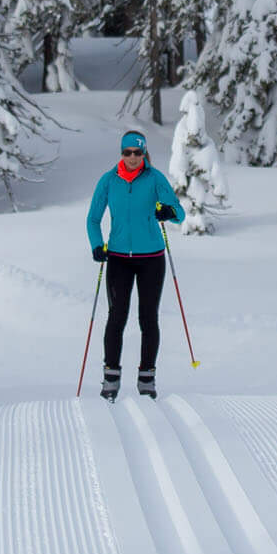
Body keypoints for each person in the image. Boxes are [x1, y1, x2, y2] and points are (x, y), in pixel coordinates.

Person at [85, 130, 185, 401]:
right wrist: (97, 245)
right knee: (117, 317)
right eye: (127, 152)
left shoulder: (155, 179)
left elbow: (179, 213)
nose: (132, 157)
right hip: (119, 259)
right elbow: (93, 219)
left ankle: (147, 379)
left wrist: (168, 212)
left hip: (151, 259)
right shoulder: (108, 181)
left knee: (148, 318)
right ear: (121, 153)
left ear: (144, 154)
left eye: (137, 153)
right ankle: (111, 377)